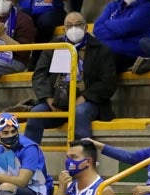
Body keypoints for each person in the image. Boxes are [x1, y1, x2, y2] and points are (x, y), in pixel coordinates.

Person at [24, 11, 116, 143]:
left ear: (86, 27)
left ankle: (83, 156)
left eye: (78, 25)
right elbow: (39, 74)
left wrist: (84, 97)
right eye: (69, 25)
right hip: (57, 100)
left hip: (88, 101)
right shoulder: (54, 46)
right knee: (36, 114)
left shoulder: (101, 49)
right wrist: (48, 98)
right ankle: (29, 157)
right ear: (64, 29)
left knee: (79, 113)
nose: (74, 28)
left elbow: (108, 82)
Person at [93, 0, 150, 73]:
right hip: (112, 52)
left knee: (104, 58)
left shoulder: (146, 7)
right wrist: (119, 30)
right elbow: (97, 29)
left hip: (133, 54)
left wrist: (108, 24)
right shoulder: (112, 6)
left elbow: (126, 27)